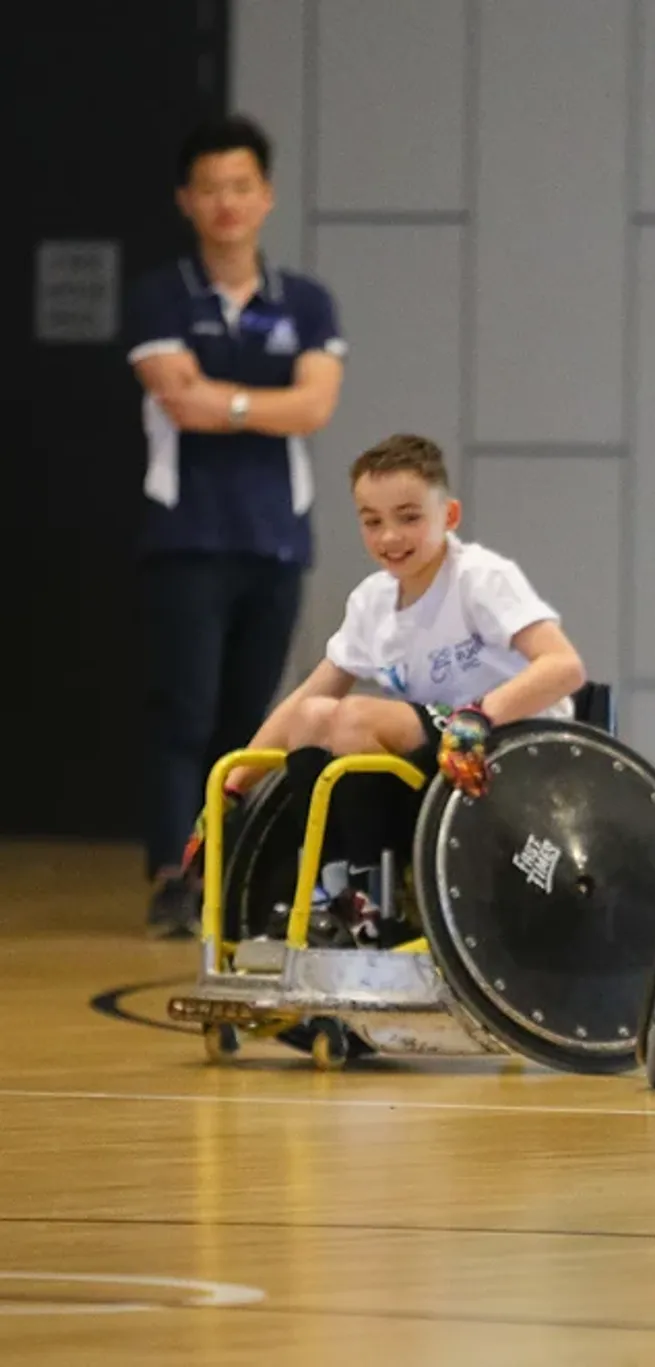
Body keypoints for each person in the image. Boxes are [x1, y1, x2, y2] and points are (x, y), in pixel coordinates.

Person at [204, 433, 586, 941]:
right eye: (372, 521)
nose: (390, 536)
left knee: (353, 716)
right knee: (316, 715)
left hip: (513, 748)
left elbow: (564, 667)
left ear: (449, 516)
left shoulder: (480, 578)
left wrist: (479, 717)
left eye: (409, 517)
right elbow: (304, 703)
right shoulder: (372, 602)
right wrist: (231, 790)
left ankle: (374, 897)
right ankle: (345, 892)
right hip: (433, 757)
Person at [127, 114, 347, 937]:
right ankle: (171, 874)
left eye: (241, 186)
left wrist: (228, 401)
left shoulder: (306, 301)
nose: (227, 203)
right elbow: (175, 397)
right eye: (211, 188)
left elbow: (317, 405)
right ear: (188, 199)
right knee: (180, 711)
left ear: (267, 196)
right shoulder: (160, 294)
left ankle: (233, 867)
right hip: (185, 536)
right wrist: (266, 404)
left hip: (275, 538)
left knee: (252, 718)